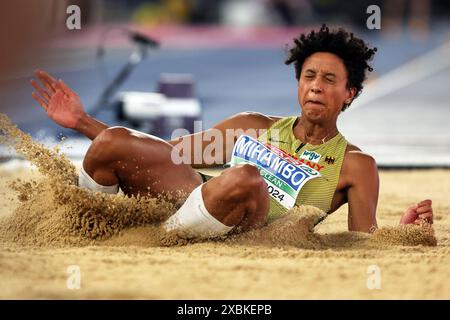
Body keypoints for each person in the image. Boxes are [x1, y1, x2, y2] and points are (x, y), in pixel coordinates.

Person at [30, 25, 433, 239]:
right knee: (114, 140)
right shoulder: (253, 126)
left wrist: (405, 234)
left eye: (329, 80)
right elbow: (165, 154)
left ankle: (154, 237)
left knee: (244, 179)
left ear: (350, 93)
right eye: (309, 76)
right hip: (198, 199)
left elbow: (362, 239)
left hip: (252, 224)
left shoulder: (356, 165)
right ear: (297, 83)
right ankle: (85, 226)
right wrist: (82, 122)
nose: (315, 86)